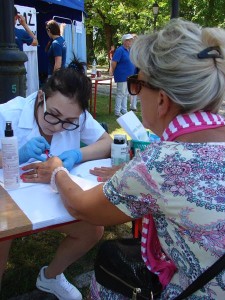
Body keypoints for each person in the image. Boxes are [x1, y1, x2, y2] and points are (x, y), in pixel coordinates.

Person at [22, 19, 225, 299]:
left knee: (108, 279)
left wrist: (57, 170)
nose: (137, 95)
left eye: (136, 85)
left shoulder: (161, 163)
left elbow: (84, 208)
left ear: (163, 101)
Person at [0, 59, 112, 299]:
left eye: (69, 122)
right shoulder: (8, 113)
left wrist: (77, 153)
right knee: (1, 236)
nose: (59, 127)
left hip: (50, 195)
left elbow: (108, 142)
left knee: (92, 229)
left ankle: (51, 277)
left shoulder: (76, 116)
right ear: (41, 97)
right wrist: (12, 155)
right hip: (9, 200)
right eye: (54, 115)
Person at [109, 34, 135, 117]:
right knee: (121, 93)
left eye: (130, 40)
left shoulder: (129, 50)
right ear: (124, 41)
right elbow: (114, 62)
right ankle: (117, 111)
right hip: (122, 75)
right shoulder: (120, 50)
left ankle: (124, 110)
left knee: (126, 93)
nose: (130, 42)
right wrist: (113, 71)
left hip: (129, 75)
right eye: (128, 40)